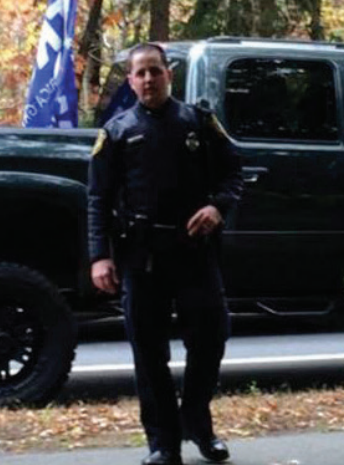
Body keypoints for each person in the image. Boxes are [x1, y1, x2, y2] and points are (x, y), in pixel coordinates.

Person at [87, 43, 244, 465]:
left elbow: (234, 171)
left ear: (168, 74)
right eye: (140, 73)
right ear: (130, 79)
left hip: (194, 253)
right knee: (149, 352)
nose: (148, 79)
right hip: (141, 258)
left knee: (211, 340)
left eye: (155, 71)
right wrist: (99, 256)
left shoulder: (198, 121)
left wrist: (217, 207)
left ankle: (197, 421)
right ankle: (163, 443)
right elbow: (98, 198)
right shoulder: (117, 132)